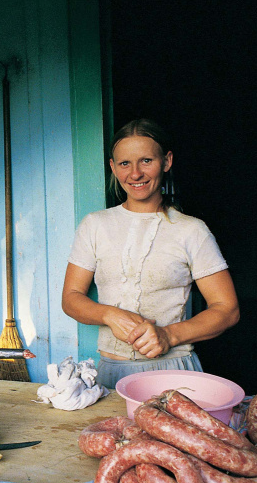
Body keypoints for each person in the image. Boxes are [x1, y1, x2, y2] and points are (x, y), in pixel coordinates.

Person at [61, 119, 240, 389]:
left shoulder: (191, 230)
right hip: (110, 371)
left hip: (174, 372)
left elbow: (228, 310)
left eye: (146, 161)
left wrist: (169, 335)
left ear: (166, 161)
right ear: (113, 167)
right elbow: (71, 298)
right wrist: (107, 314)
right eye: (124, 164)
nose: (135, 174)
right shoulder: (95, 225)